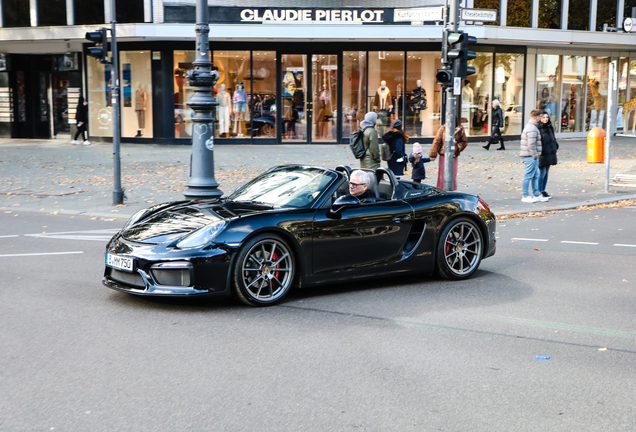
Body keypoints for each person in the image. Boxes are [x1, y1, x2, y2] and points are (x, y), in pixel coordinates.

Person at [429, 117, 468, 190]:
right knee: (442, 173)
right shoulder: (442, 128)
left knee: (453, 173)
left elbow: (464, 141)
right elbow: (437, 141)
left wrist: (457, 147)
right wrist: (433, 154)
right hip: (444, 154)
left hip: (454, 154)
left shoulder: (460, 129)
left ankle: (451, 189)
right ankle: (441, 189)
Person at [520, 109, 549, 203]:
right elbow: (531, 145)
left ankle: (536, 194)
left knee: (535, 175)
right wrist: (535, 155)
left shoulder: (532, 127)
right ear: (537, 117)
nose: (541, 118)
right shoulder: (532, 128)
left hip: (531, 156)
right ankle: (525, 195)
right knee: (529, 176)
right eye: (541, 117)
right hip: (530, 156)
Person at [537, 112, 559, 199]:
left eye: (547, 117)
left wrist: (555, 146)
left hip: (550, 153)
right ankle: (540, 191)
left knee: (546, 173)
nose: (546, 119)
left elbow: (553, 138)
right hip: (542, 153)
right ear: (540, 118)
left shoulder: (550, 127)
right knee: (542, 173)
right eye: (544, 117)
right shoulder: (538, 128)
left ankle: (543, 189)